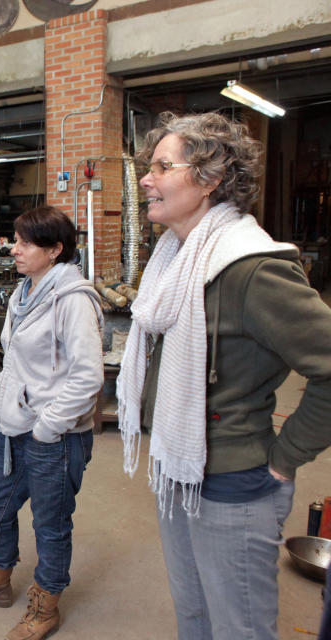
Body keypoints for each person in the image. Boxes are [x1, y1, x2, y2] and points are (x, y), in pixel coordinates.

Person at [117, 111, 331, 640]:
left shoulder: (251, 268)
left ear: (210, 180)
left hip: (236, 483)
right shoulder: (175, 260)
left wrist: (284, 461)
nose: (146, 178)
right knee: (194, 617)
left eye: (163, 166)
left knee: (239, 628)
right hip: (178, 469)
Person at [0, 206, 103, 640]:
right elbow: (17, 361)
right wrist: (4, 402)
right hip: (15, 427)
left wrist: (49, 424)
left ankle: (45, 604)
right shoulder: (24, 293)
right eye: (14, 239)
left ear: (55, 250)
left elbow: (88, 375)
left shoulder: (72, 300)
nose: (13, 249)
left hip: (54, 435)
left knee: (50, 524)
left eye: (25, 243)